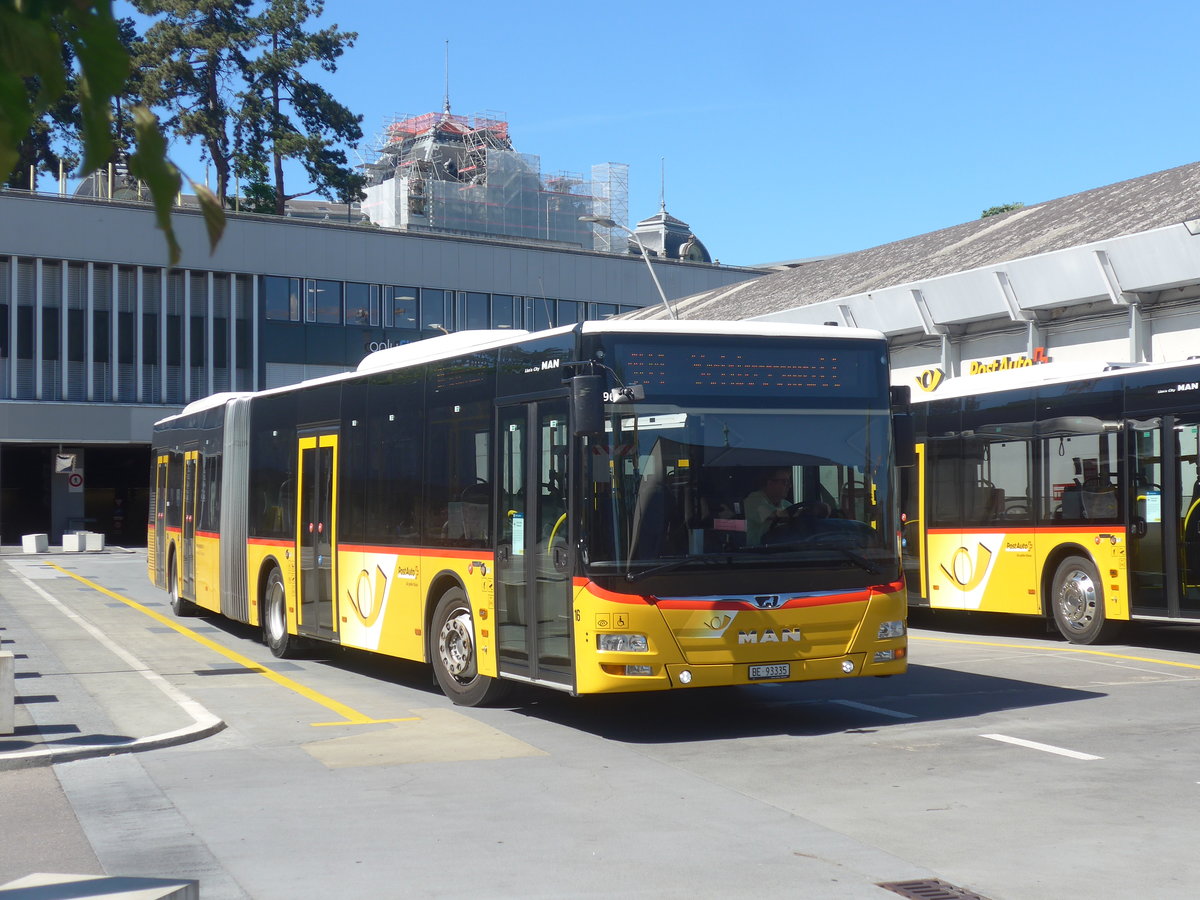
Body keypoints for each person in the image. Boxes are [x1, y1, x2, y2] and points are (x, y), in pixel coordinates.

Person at [744, 468, 793, 545]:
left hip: (784, 552)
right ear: (770, 483)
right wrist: (797, 514)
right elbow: (773, 515)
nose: (789, 486)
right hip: (757, 554)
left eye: (789, 482)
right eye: (785, 482)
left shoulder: (786, 505)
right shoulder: (753, 500)